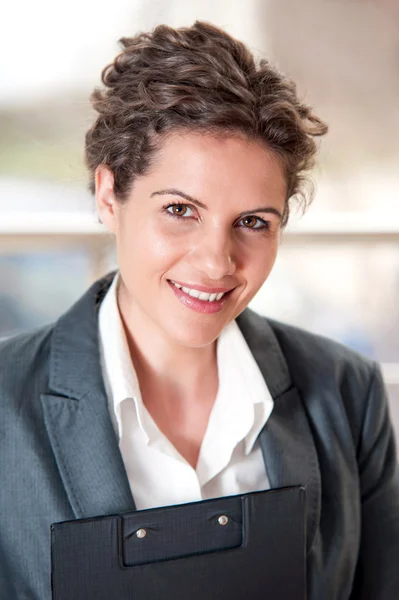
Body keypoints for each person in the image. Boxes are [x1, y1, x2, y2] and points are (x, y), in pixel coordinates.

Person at [0, 20, 398, 600]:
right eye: (181, 210)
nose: (217, 262)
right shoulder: (5, 404)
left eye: (253, 222)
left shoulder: (346, 394)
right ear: (110, 195)